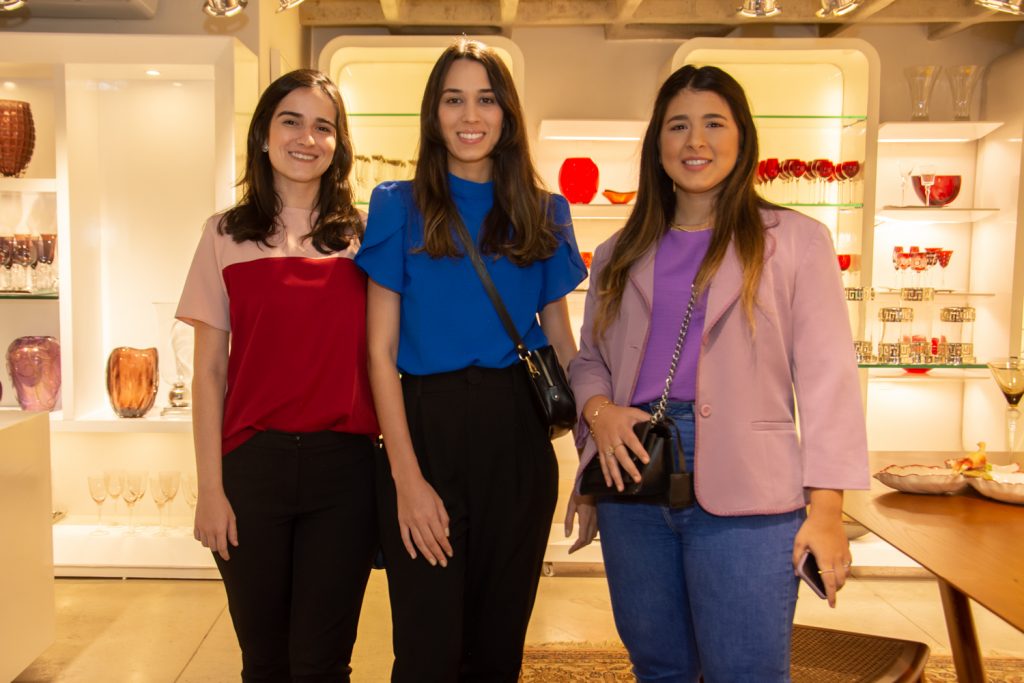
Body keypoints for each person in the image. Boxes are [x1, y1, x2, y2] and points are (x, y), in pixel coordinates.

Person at [564, 64, 869, 682]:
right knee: (659, 666)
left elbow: (828, 377)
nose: (694, 142)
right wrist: (598, 416)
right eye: (678, 125)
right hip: (636, 470)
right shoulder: (620, 250)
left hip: (751, 486)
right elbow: (590, 359)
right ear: (657, 143)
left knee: (745, 670)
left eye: (712, 124)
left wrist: (829, 509)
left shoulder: (795, 241)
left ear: (741, 137)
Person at [355, 37, 587, 682]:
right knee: (426, 654)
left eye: (486, 99)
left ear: (507, 113)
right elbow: (378, 351)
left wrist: (590, 456)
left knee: (497, 651)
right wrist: (405, 477)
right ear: (433, 115)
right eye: (453, 99)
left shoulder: (546, 212)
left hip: (517, 437)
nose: (469, 115)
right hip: (422, 433)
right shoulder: (397, 204)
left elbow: (562, 343)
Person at [176, 69, 379, 682]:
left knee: (322, 664)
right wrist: (210, 489)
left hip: (344, 472)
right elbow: (210, 372)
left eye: (324, 126)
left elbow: (387, 355)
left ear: (339, 144)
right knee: (264, 662)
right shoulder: (223, 234)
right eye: (291, 120)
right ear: (264, 134)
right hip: (250, 469)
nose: (306, 138)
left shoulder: (365, 237)